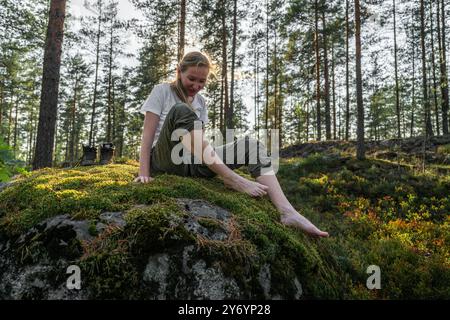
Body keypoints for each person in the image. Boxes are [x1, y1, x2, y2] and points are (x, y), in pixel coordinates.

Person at [134, 51, 329, 238]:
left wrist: (211, 159)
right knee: (180, 110)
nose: (196, 85)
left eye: (202, 81)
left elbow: (198, 140)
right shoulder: (162, 91)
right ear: (179, 72)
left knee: (251, 146)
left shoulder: (200, 102)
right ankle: (232, 178)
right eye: (191, 78)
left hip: (191, 161)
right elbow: (148, 135)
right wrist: (144, 173)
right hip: (165, 159)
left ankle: (287, 211)